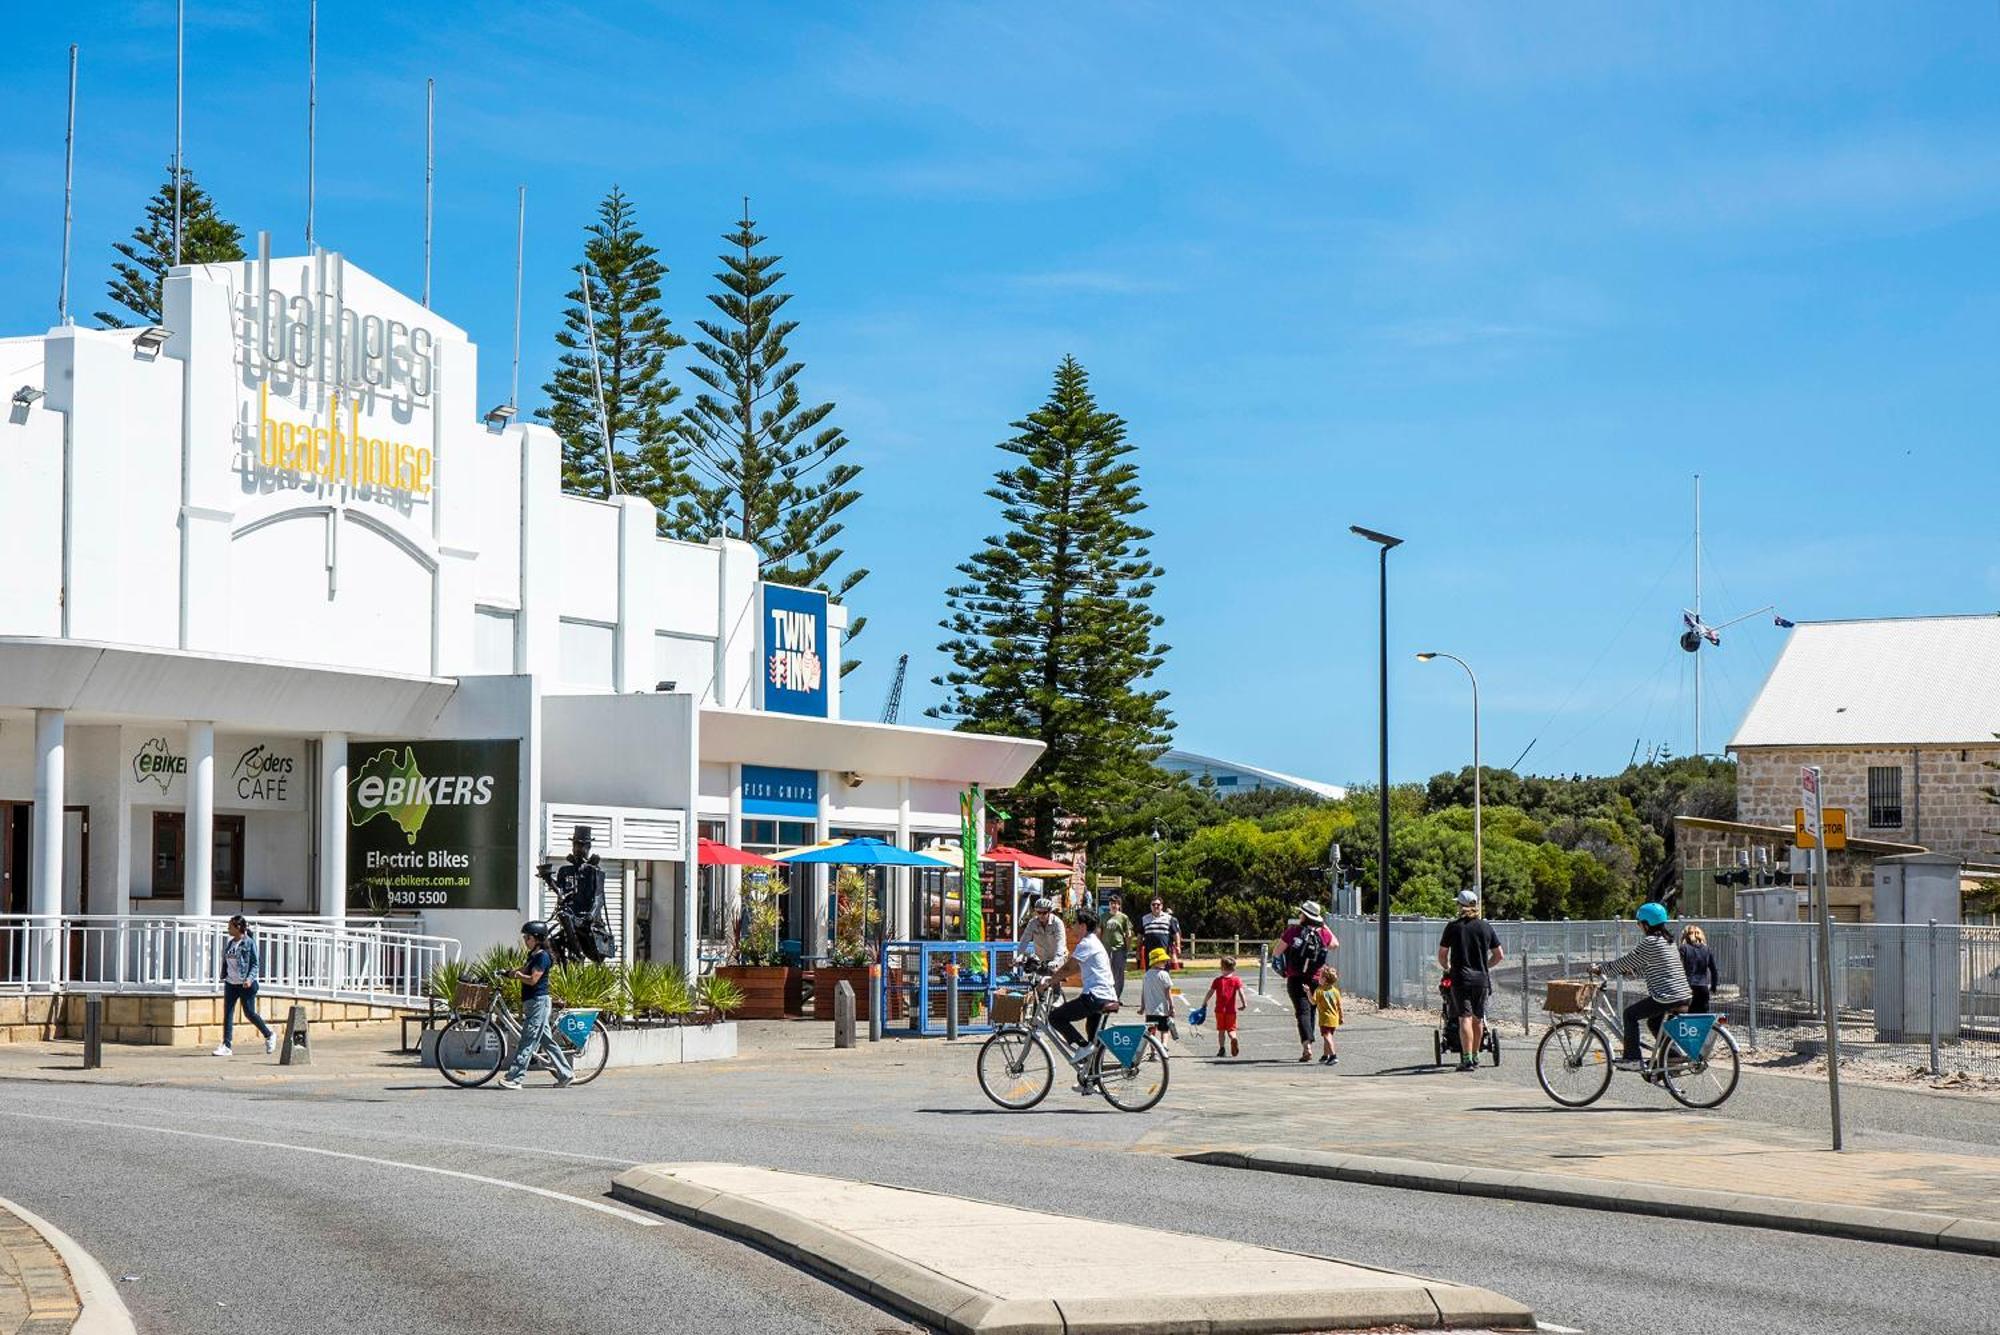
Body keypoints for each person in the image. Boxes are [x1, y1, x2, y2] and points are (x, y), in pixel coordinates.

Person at [1594, 903, 1693, 1070]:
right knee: (1654, 1023)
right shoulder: (1667, 941)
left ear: (1646, 924)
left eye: (1639, 923)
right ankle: (1672, 1056)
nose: (1639, 926)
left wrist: (1600, 969)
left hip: (1666, 996)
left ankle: (1632, 1058)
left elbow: (1626, 961)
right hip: (1683, 995)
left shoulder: (1650, 942)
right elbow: (1653, 965)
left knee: (1630, 1015)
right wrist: (1633, 972)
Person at [498, 921, 573, 1090]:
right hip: (533, 1003)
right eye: (525, 937)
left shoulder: (542, 956)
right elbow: (524, 970)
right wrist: (508, 973)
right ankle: (566, 1074)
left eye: (528, 937)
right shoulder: (534, 955)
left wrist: (517, 976)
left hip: (539, 1002)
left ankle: (515, 1078)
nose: (525, 940)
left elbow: (533, 979)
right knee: (546, 1041)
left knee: (528, 1040)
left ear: (537, 938)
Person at [1437, 890, 1503, 1073]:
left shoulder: (1453, 927)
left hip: (1461, 978)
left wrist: (1447, 967)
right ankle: (1476, 1056)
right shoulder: (1486, 927)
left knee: (1464, 1017)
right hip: (1481, 979)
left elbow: (1442, 954)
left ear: (1460, 906)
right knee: (1478, 1018)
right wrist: (1485, 965)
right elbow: (1499, 955)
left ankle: (1466, 1059)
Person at [1047, 909, 1118, 1072]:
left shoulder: (1087, 943)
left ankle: (1082, 1047)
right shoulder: (1093, 942)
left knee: (1055, 1017)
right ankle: (1092, 1078)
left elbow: (1068, 968)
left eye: (1075, 923)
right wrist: (1057, 978)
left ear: (1083, 926)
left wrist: (1048, 982)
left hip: (1095, 996)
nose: (1071, 927)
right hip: (1105, 995)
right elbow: (1075, 969)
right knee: (1094, 1039)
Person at [1279, 900, 1335, 1063]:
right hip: (1316, 977)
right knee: (1311, 1010)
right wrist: (1324, 925)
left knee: (1302, 1011)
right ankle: (1310, 1040)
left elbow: (1277, 951)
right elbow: (1335, 944)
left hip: (1295, 977)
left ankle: (1307, 1046)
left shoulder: (1293, 931)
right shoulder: (1322, 933)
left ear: (1304, 915)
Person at [213, 915, 275, 1057]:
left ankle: (269, 1035)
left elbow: (255, 963)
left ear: (238, 927)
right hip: (231, 983)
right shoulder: (230, 943)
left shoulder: (249, 943)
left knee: (249, 1013)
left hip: (245, 984)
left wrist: (249, 978)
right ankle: (226, 1045)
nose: (228, 928)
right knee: (228, 1013)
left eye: (230, 926)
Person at [1200, 956, 1246, 1058]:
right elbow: (1241, 993)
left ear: (1222, 968)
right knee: (1231, 1029)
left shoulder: (1217, 980)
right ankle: (1233, 1038)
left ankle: (1222, 1049)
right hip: (1231, 1011)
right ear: (1234, 968)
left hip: (1219, 1010)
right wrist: (1244, 1003)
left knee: (1221, 1031)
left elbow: (1210, 992)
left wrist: (1204, 1002)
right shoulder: (1236, 980)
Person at [1016, 896, 1068, 973]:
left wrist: (1056, 960)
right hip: (1042, 958)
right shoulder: (1032, 923)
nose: (1041, 915)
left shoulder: (1057, 923)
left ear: (1049, 912)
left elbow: (1060, 943)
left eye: (1044, 913)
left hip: (1057, 957)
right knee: (1037, 979)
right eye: (1039, 912)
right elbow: (1024, 940)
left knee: (1053, 978)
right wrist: (1020, 954)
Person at [1678, 924, 1718, 1014]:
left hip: (1688, 987)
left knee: (1683, 1017)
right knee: (1701, 1017)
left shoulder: (1683, 948)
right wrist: (1713, 986)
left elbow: (1678, 968)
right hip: (1703, 988)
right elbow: (1714, 970)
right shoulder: (1707, 949)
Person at [1101, 892, 1134, 998]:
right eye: (1112, 903)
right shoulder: (1103, 916)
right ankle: (1107, 995)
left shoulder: (1123, 917)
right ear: (1109, 905)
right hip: (1106, 949)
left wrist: (1127, 949)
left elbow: (1128, 934)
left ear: (1119, 905)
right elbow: (1099, 932)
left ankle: (1116, 996)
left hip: (1119, 948)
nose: (1114, 905)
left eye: (1116, 903)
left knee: (1118, 974)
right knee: (1106, 972)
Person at [1140, 948, 1176, 1039]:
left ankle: (1153, 1051)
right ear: (1156, 962)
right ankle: (1164, 1046)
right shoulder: (1164, 975)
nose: (1165, 962)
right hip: (1162, 1010)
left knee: (1151, 1032)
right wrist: (1172, 1006)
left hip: (1150, 1010)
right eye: (1163, 961)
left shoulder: (1146, 975)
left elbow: (1143, 993)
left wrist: (1142, 1007)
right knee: (1164, 1030)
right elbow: (1168, 993)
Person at [1311, 965, 1343, 1065]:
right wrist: (1341, 1017)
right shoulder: (1336, 991)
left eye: (1320, 977)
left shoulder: (1319, 990)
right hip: (1334, 1017)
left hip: (1325, 1018)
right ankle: (1325, 1055)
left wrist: (1308, 992)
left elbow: (1313, 1002)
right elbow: (1339, 1006)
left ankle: (1333, 1055)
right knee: (1327, 1036)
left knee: (1327, 1036)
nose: (1318, 979)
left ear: (1324, 979)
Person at [1139, 897, 1182, 971]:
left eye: (1158, 904)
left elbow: (1176, 934)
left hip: (1164, 952)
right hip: (1150, 953)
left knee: (1164, 973)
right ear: (1150, 906)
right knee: (1150, 974)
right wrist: (1138, 950)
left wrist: (1178, 946)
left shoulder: (1169, 918)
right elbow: (1140, 936)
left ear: (1162, 906)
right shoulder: (1144, 919)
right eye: (1153, 904)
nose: (1156, 906)